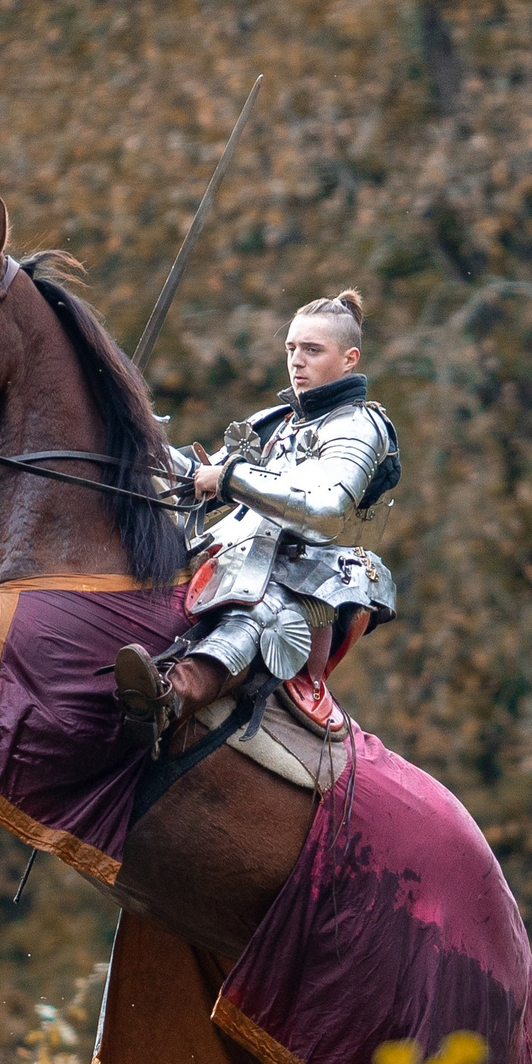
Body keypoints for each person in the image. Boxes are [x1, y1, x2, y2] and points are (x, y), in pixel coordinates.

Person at [113, 289, 400, 742]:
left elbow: (325, 510)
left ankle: (170, 698)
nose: (297, 361)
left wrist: (230, 478)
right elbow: (196, 481)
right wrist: (138, 443)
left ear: (350, 359)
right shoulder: (277, 421)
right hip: (237, 556)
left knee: (255, 614)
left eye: (312, 350)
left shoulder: (359, 426)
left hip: (314, 578)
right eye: (291, 349)